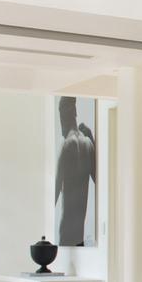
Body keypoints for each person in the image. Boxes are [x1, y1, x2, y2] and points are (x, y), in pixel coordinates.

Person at [54, 96, 96, 246]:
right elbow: (101, 183)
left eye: (61, 114)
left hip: (65, 237)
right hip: (80, 238)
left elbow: (53, 192)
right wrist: (93, 139)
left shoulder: (66, 146)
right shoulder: (88, 145)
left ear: (68, 113)